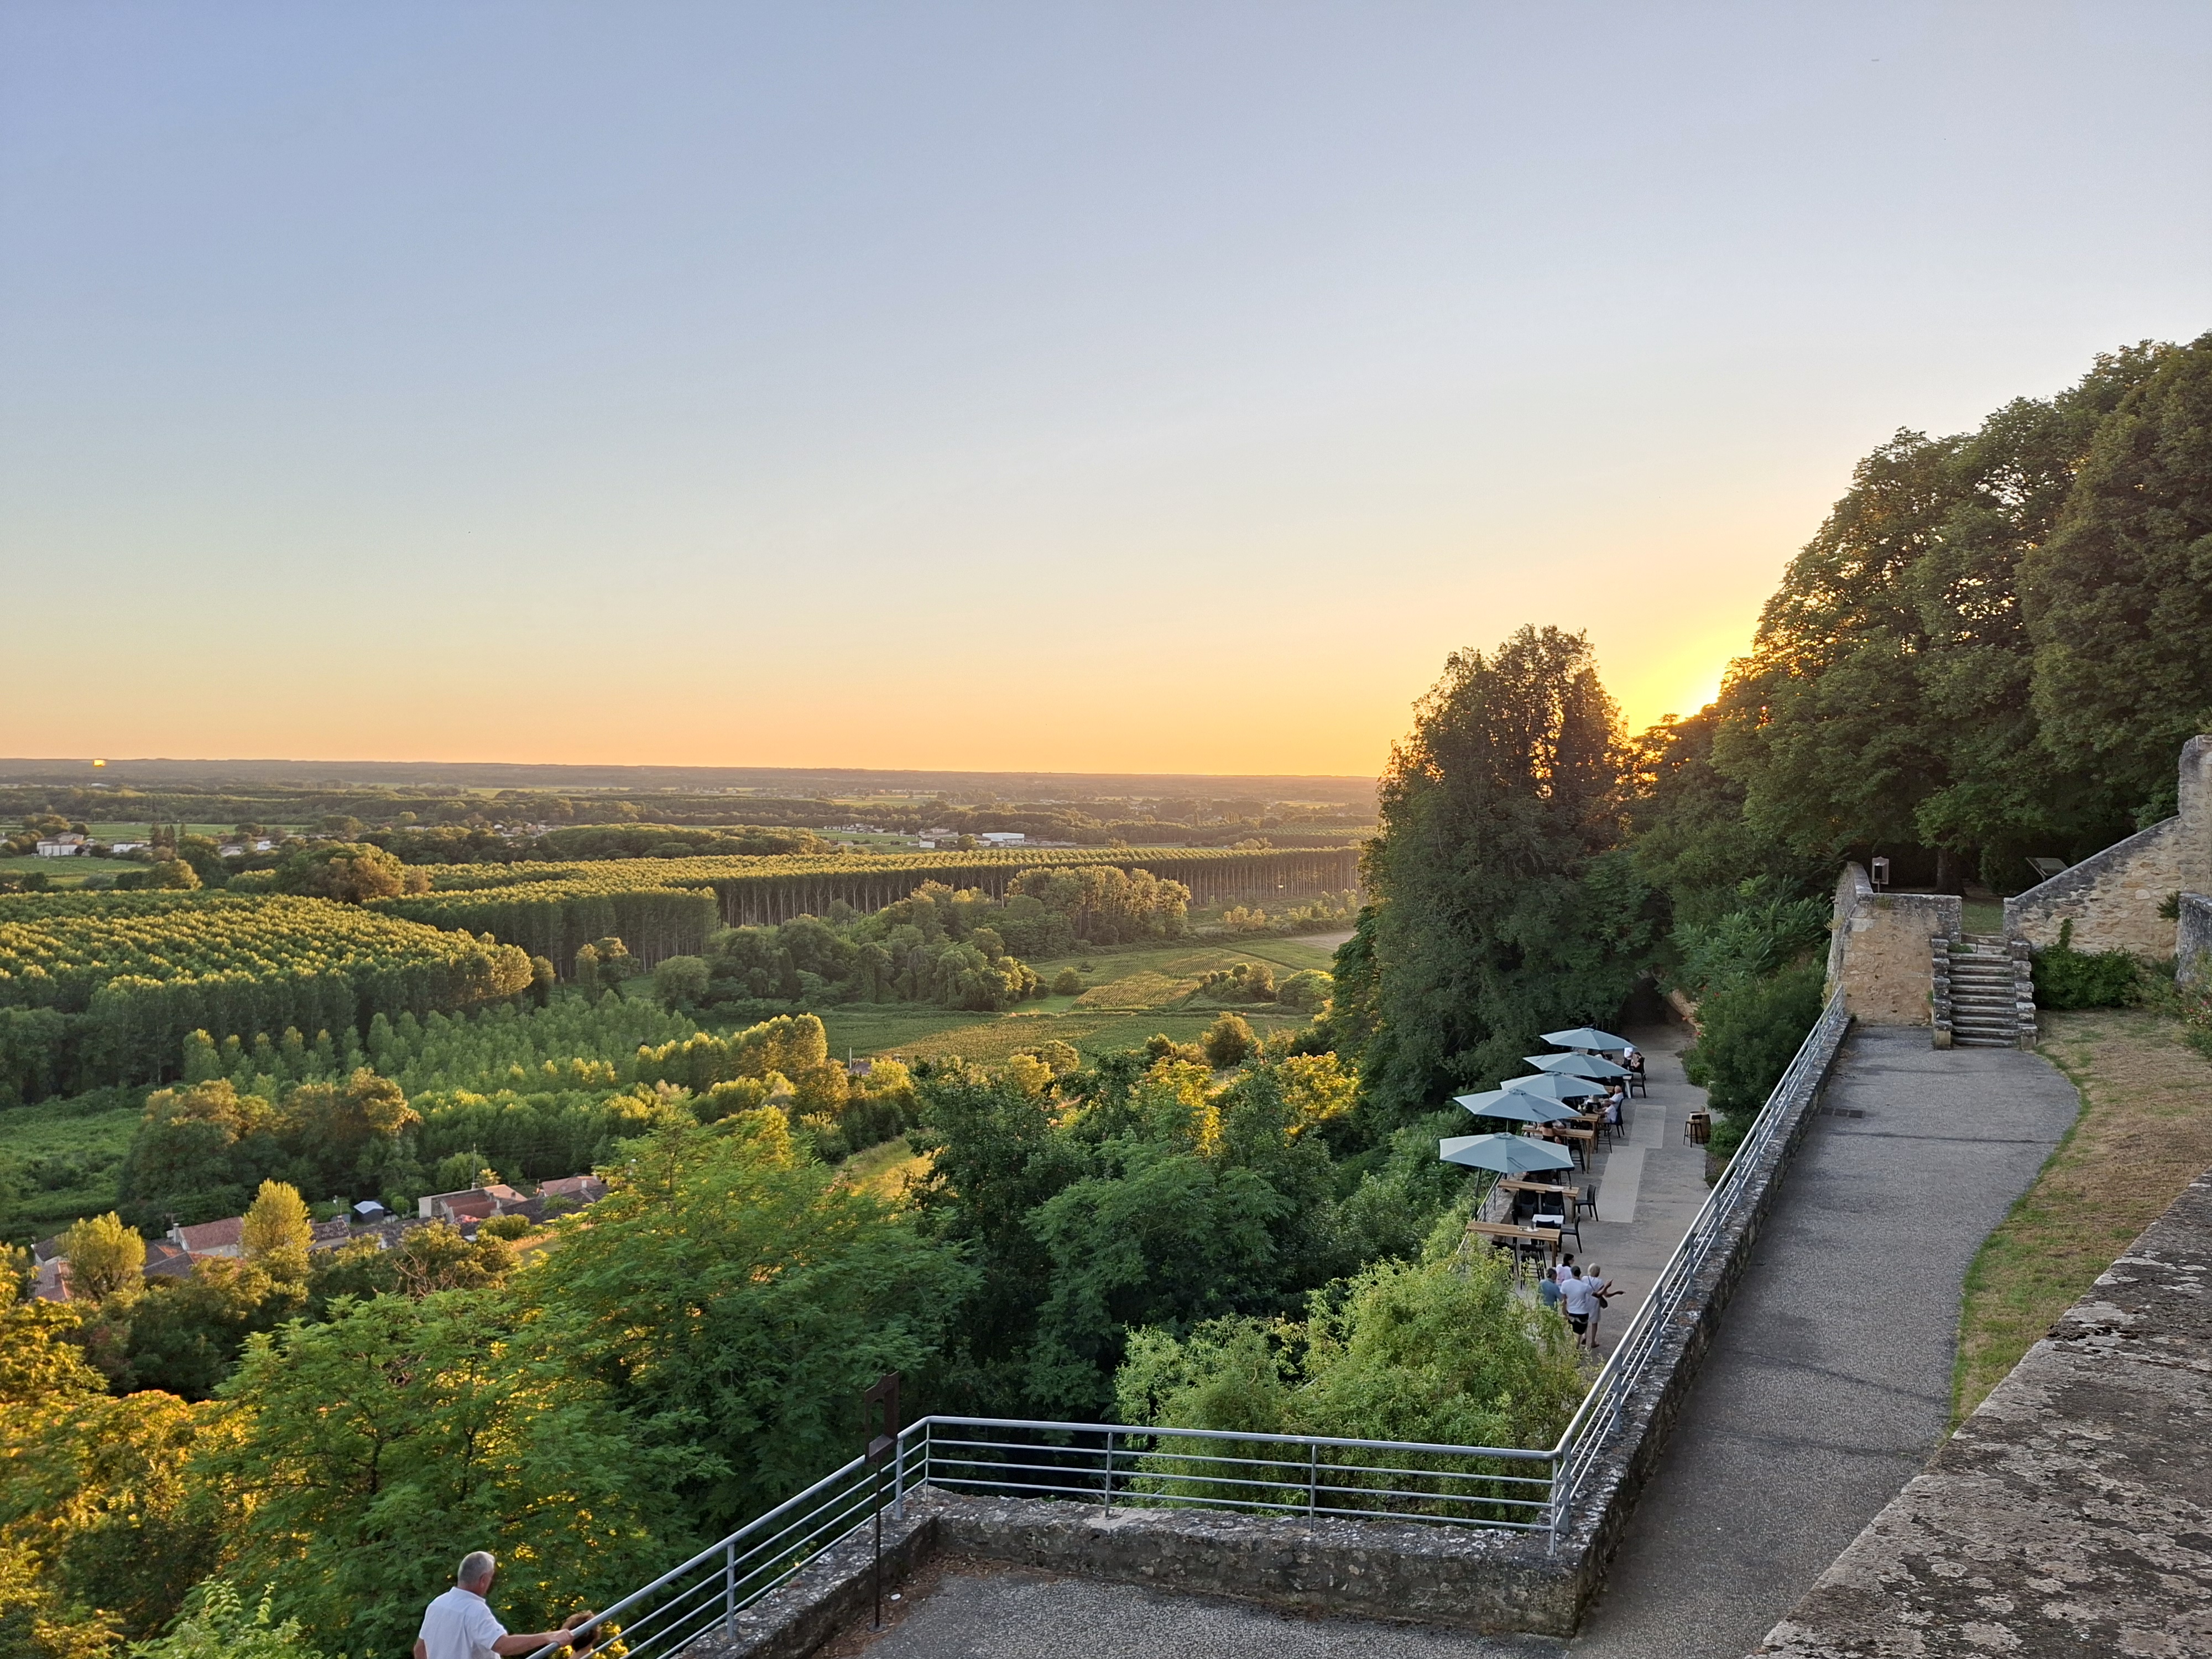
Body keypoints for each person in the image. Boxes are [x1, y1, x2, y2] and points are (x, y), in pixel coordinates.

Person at [416, 1552, 591, 1659]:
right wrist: (549, 1637)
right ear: (483, 1580)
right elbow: (502, 1646)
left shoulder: (437, 1604)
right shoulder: (474, 1610)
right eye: (492, 1577)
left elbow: (419, 1649)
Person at [1559, 1265, 1598, 1348]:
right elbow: (1594, 1294)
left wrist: (1564, 1312)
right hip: (1582, 1313)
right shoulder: (1585, 1286)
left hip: (1570, 1312)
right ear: (1580, 1274)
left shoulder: (1565, 1284)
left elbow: (1564, 1298)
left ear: (1572, 1273)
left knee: (1572, 1330)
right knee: (1579, 1332)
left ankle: (1573, 1346)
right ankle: (1578, 1345)